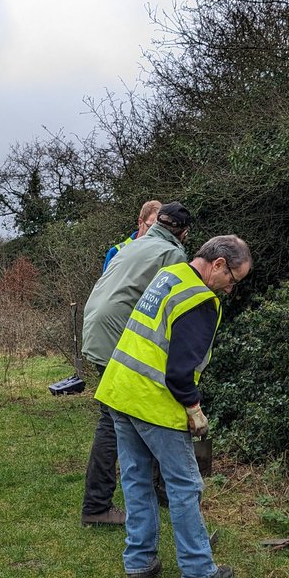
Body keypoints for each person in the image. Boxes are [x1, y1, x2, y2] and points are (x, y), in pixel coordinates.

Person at [95, 235, 252, 578]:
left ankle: (139, 564)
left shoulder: (170, 274)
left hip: (121, 392)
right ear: (218, 265)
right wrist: (194, 409)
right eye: (232, 280)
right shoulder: (200, 301)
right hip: (154, 402)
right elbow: (180, 371)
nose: (230, 290)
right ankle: (198, 569)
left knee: (135, 481)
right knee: (185, 485)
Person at [79, 201, 192, 526]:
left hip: (97, 325)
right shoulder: (173, 255)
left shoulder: (136, 243)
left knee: (125, 413)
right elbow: (169, 310)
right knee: (116, 418)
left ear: (157, 222)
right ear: (183, 233)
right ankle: (98, 506)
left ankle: (158, 490)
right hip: (115, 330)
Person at [102, 200, 162, 273]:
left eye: (159, 229)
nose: (154, 232)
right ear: (140, 222)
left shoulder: (162, 254)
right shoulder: (115, 252)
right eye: (150, 227)